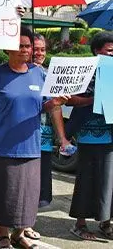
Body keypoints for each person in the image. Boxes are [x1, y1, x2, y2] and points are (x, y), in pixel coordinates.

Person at [0, 27, 69, 249]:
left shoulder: (39, 74)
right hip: (2, 147)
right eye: (20, 46)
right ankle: (3, 235)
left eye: (28, 46)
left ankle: (19, 234)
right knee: (3, 193)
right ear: (9, 48)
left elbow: (45, 106)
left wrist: (55, 103)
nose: (25, 50)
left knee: (27, 196)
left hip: (30, 147)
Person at [67, 31, 113, 241]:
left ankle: (106, 223)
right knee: (86, 181)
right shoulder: (84, 72)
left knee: (109, 182)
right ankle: (80, 224)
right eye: (109, 50)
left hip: (110, 138)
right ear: (97, 50)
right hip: (88, 137)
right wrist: (95, 99)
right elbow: (69, 100)